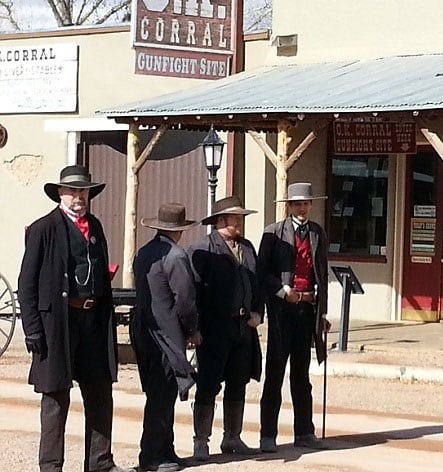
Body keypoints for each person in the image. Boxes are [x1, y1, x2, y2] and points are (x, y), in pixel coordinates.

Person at [18, 165, 134, 472]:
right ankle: (51, 466)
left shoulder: (94, 225)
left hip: (93, 321)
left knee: (100, 393)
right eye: (72, 191)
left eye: (83, 191)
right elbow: (26, 283)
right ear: (60, 193)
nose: (78, 197)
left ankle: (100, 462)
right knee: (56, 400)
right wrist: (32, 329)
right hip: (58, 324)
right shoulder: (44, 228)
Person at [257, 182, 330, 453]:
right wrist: (281, 290)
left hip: (307, 310)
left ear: (311, 205)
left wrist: (322, 312)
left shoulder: (317, 233)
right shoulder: (273, 233)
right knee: (275, 373)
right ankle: (268, 435)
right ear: (289, 206)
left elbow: (321, 274)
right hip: (282, 312)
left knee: (302, 375)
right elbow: (261, 273)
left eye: (305, 203)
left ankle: (304, 431)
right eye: (297, 204)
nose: (302, 208)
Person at [188, 196, 262, 460]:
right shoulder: (203, 249)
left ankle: (232, 437)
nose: (239, 222)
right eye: (234, 218)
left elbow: (257, 284)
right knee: (208, 384)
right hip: (214, 329)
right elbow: (192, 292)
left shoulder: (248, 248)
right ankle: (201, 440)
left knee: (238, 382)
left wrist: (257, 313)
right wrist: (193, 328)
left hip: (243, 328)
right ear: (221, 221)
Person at [131, 203, 202, 472]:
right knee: (162, 394)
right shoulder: (176, 256)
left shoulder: (144, 252)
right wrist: (192, 330)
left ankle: (165, 450)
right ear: (180, 230)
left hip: (143, 330)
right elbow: (185, 300)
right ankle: (151, 455)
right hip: (166, 333)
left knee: (158, 392)